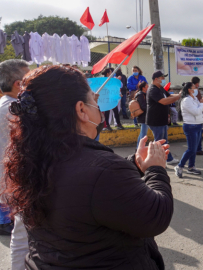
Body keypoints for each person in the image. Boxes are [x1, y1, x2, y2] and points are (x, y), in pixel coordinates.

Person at [2, 65, 174, 268]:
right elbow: (156, 216)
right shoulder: (102, 169)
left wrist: (134, 164)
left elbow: (85, 186)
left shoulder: (33, 159)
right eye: (94, 99)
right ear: (81, 110)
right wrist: (156, 169)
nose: (98, 106)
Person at [0, 59, 30, 270]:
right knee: (22, 237)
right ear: (19, 84)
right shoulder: (14, 109)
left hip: (9, 175)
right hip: (14, 177)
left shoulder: (6, 106)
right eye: (29, 80)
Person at [174, 82, 203, 178]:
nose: (196, 89)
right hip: (191, 127)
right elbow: (196, 111)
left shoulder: (194, 99)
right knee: (191, 149)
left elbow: (201, 109)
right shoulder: (186, 100)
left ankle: (191, 167)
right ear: (189, 89)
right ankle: (179, 166)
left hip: (198, 126)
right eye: (194, 87)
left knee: (194, 150)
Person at [147, 70, 181, 165]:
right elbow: (164, 101)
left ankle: (167, 158)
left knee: (163, 140)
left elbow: (170, 96)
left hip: (161, 119)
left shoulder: (160, 88)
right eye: (162, 78)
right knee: (159, 141)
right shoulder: (153, 89)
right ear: (156, 79)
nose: (164, 80)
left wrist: (180, 94)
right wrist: (177, 97)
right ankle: (156, 160)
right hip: (155, 120)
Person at [192, 76, 203, 155]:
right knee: (198, 134)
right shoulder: (196, 92)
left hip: (192, 117)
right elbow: (201, 103)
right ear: (197, 83)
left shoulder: (188, 92)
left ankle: (196, 149)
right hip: (198, 116)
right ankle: (198, 149)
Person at [136, 81, 149, 148]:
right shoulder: (141, 95)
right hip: (143, 116)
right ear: (143, 88)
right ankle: (140, 149)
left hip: (145, 116)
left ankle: (138, 148)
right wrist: (150, 108)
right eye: (147, 86)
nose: (148, 87)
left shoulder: (144, 94)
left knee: (142, 134)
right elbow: (143, 106)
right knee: (143, 135)